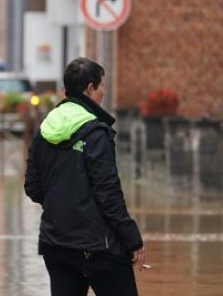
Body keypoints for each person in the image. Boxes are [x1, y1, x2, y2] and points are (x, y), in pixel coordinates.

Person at [24, 57, 145, 296]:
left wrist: (61, 206)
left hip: (55, 243)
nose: (103, 92)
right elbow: (108, 193)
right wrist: (132, 238)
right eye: (102, 87)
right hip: (98, 247)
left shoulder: (45, 128)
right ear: (90, 88)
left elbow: (32, 186)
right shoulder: (96, 132)